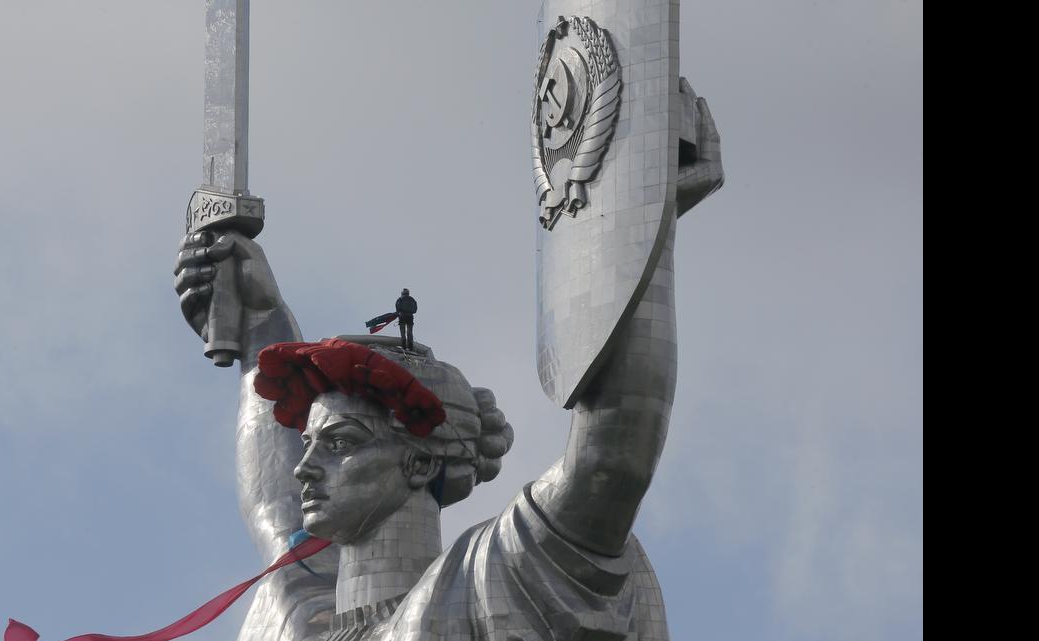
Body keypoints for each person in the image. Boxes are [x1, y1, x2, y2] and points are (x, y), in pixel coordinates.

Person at [171, 84, 722, 641]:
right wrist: (257, 324)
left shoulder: (483, 583)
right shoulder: (300, 618)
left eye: (341, 444)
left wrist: (644, 220)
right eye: (311, 444)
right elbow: (274, 504)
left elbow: (615, 454)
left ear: (418, 464)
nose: (304, 467)